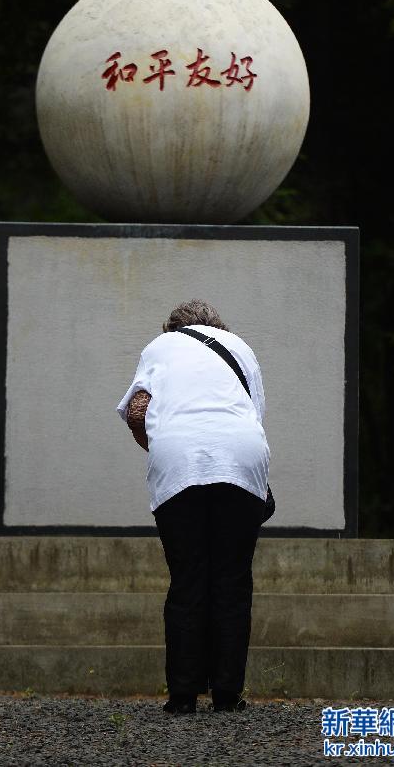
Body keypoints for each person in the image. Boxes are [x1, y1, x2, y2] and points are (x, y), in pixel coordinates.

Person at [116, 299, 271, 716]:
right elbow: (253, 415)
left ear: (173, 327)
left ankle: (182, 696)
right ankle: (226, 695)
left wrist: (161, 446)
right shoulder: (240, 347)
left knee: (188, 578)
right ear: (216, 325)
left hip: (178, 461)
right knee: (232, 579)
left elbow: (138, 410)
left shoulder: (161, 347)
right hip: (240, 460)